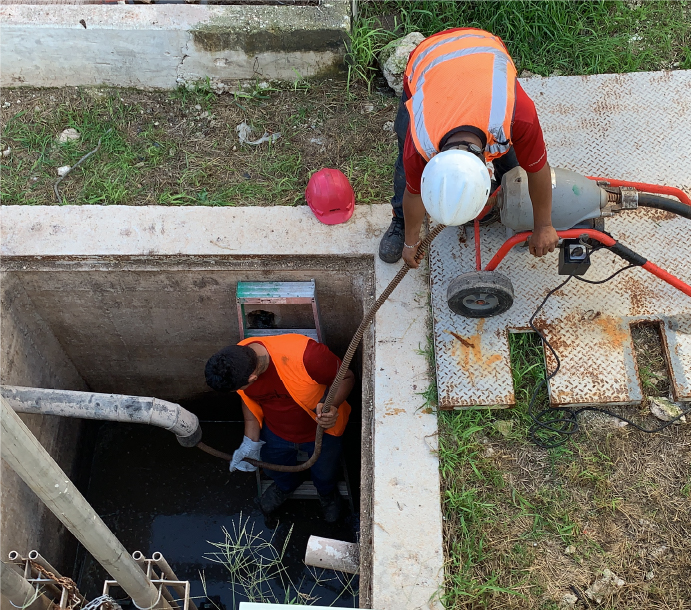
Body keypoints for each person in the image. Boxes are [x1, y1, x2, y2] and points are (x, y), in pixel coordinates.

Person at [378, 27, 560, 267]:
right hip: (429, 58)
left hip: (483, 49)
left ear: (486, 172)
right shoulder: (420, 141)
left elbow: (538, 169)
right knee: (405, 163)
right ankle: (400, 221)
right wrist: (411, 243)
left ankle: (507, 193)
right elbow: (413, 191)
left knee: (515, 163)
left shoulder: (518, 115)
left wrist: (544, 225)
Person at [204, 333, 355, 523]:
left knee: (325, 472)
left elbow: (346, 377)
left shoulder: (307, 356)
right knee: (274, 467)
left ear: (253, 377)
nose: (237, 392)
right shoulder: (240, 358)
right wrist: (249, 442)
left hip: (321, 431)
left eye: (237, 388)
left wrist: (330, 406)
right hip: (276, 431)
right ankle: (285, 486)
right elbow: (249, 400)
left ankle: (327, 494)